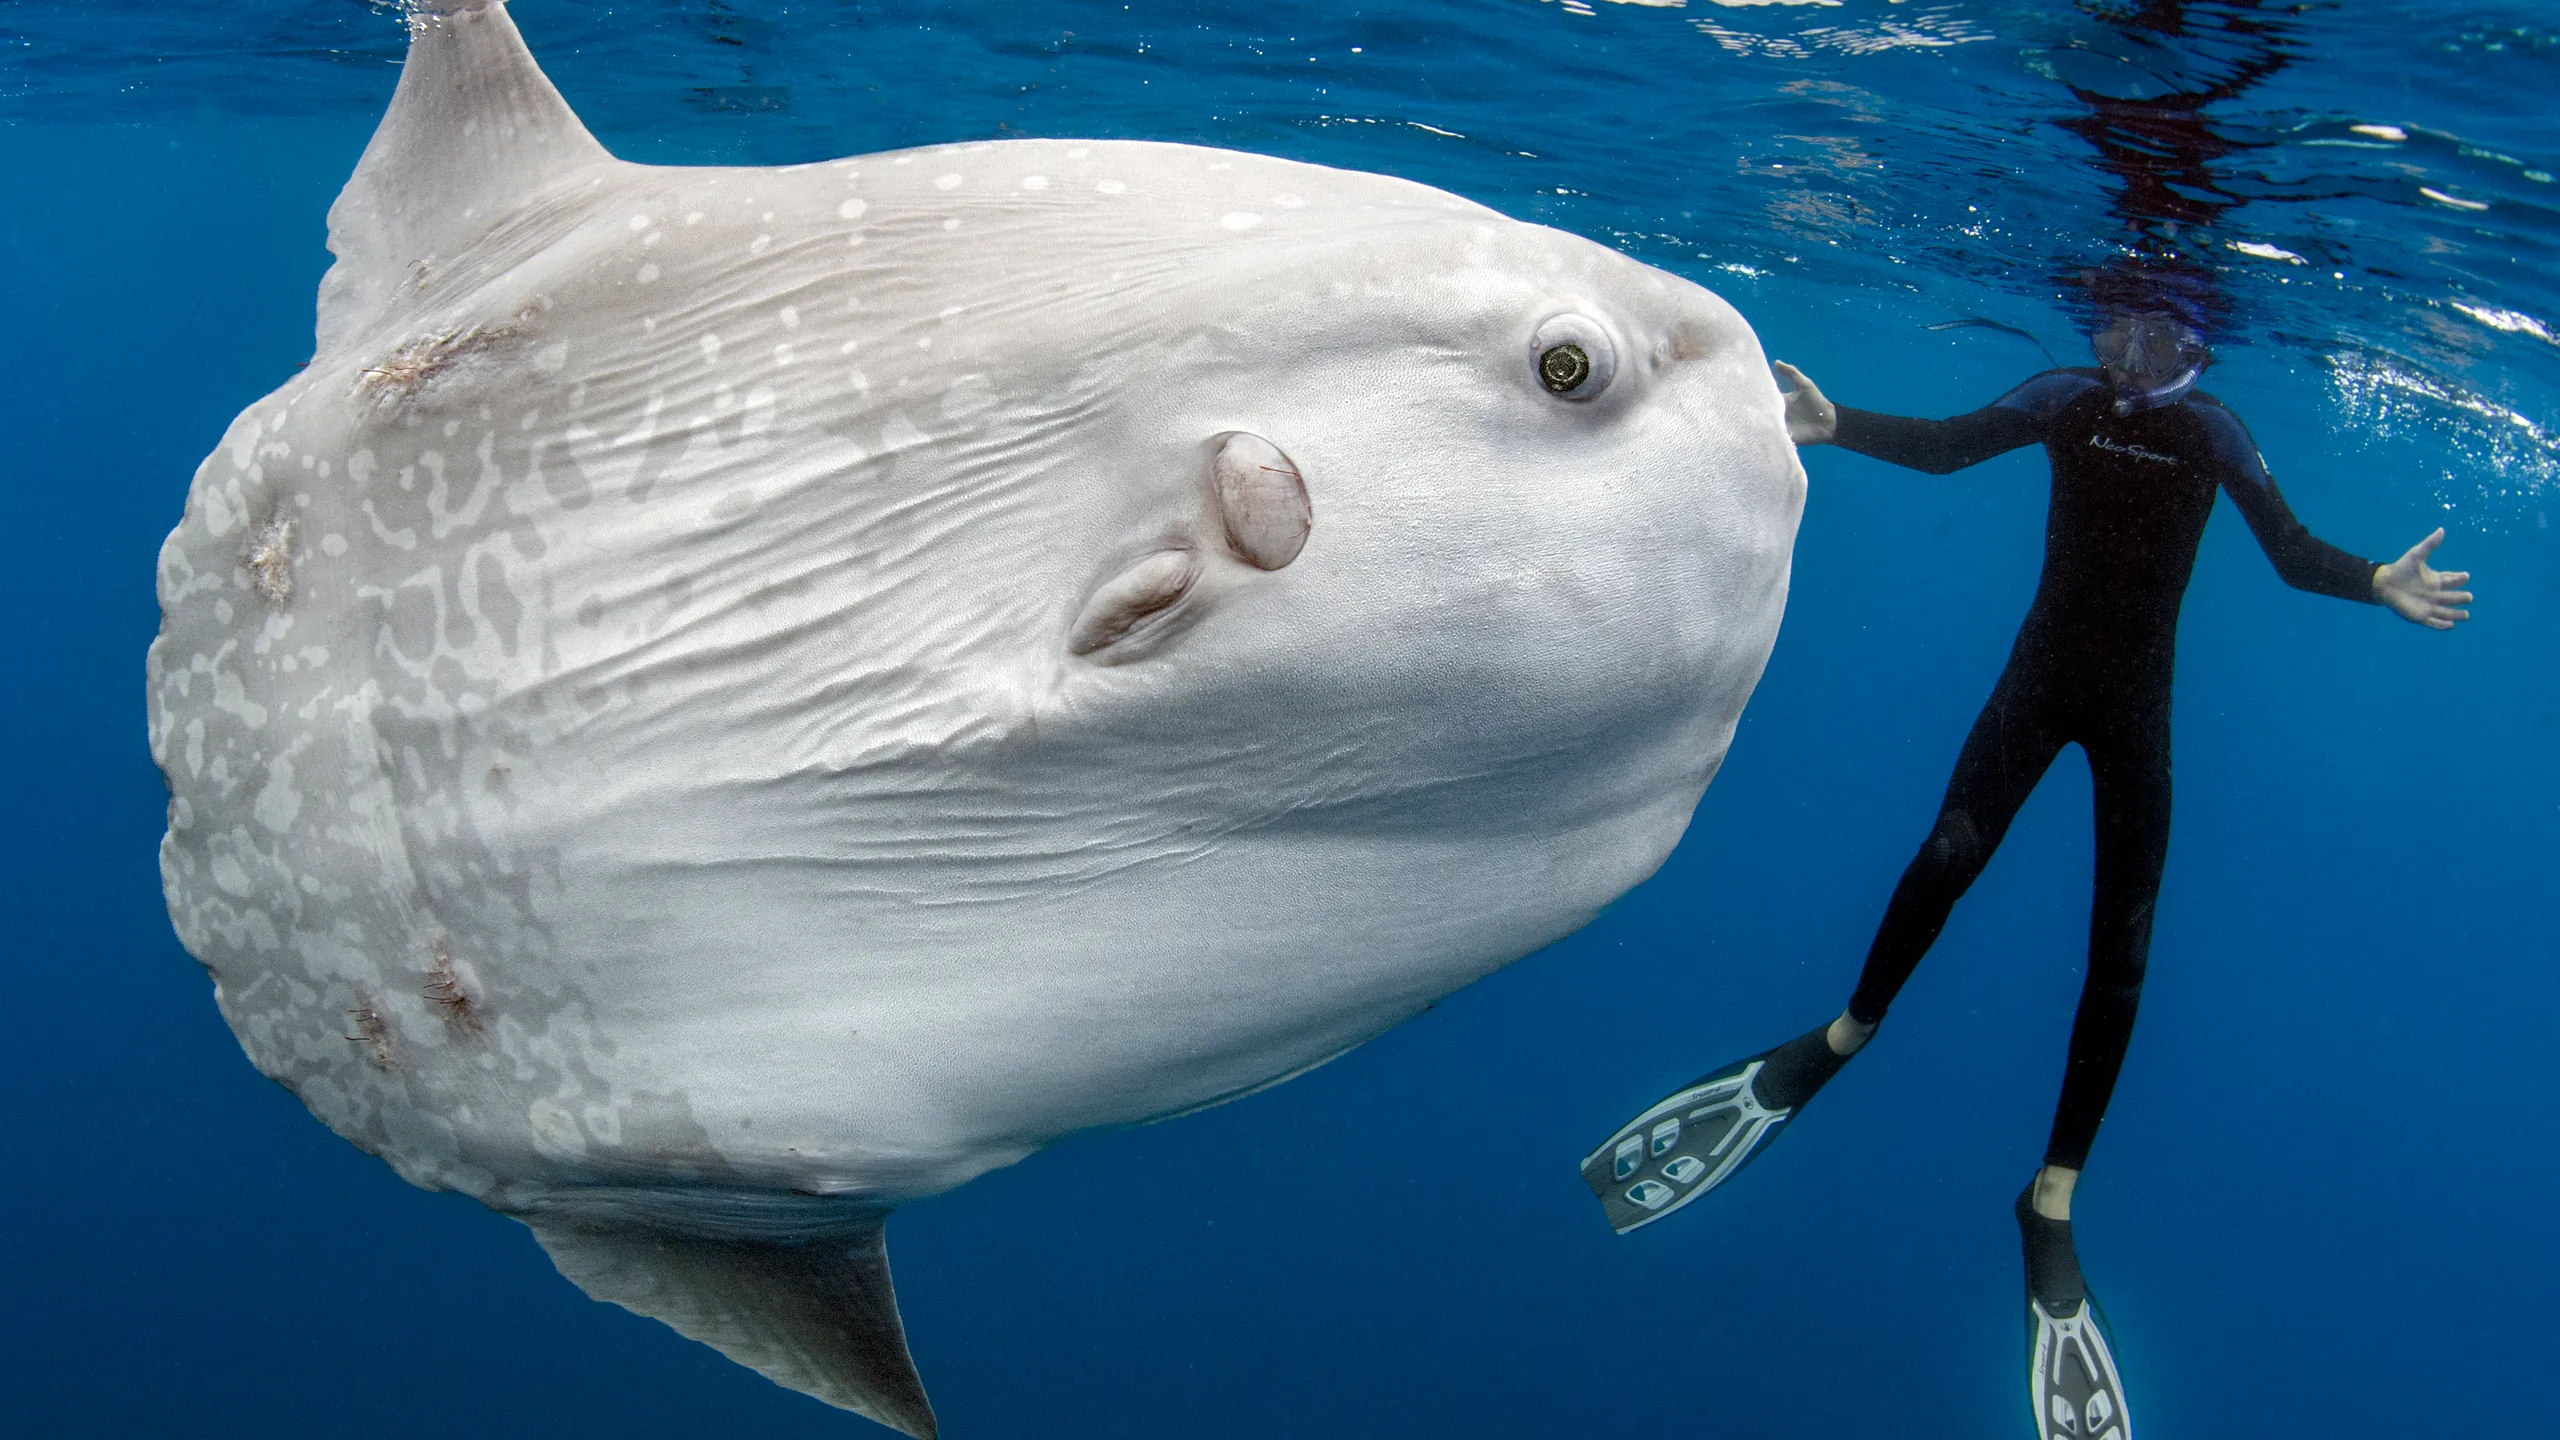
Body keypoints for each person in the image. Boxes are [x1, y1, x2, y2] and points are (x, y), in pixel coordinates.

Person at [1580, 296, 2474, 1440]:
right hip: (2039, 680)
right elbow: (1953, 447)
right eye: (2115, 335)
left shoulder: (2210, 436)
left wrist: (2374, 583)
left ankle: (2050, 1201)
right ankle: (1844, 1035)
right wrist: (1834, 420)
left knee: (2124, 946)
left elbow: (2292, 553)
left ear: (2197, 354)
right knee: (1946, 855)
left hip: (2129, 714)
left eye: (2157, 344)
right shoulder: (2061, 404)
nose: (2127, 359)